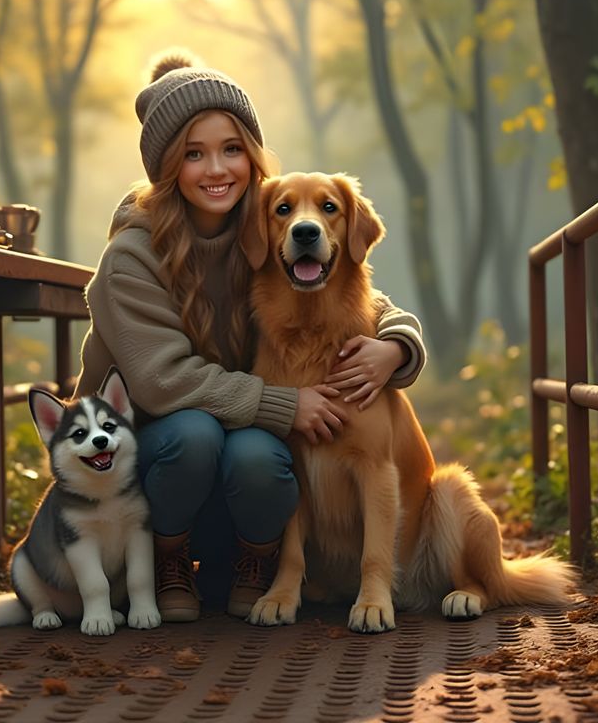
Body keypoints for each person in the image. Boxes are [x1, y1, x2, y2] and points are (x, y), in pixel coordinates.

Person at [74, 52, 426, 622]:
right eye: (195, 153)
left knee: (259, 452)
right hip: (141, 449)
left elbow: (353, 298)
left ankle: (247, 563)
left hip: (231, 432)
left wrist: (398, 345)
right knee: (197, 434)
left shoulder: (261, 221)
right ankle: (168, 559)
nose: (217, 168)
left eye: (231, 149)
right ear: (168, 166)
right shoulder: (131, 257)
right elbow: (163, 381)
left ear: (252, 157)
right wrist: (285, 403)